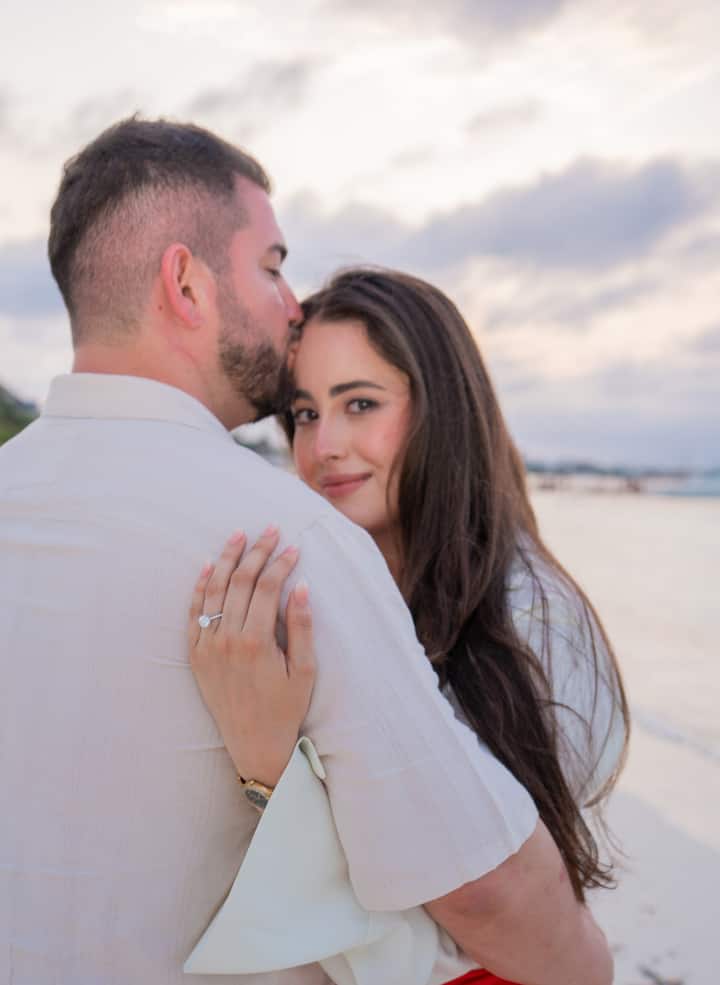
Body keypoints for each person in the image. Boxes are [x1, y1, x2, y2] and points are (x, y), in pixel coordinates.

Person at [0, 116, 611, 985]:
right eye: (272, 266)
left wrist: (271, 765)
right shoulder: (288, 544)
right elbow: (481, 886)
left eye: (361, 403)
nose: (290, 306)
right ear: (186, 282)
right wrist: (589, 963)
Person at [187, 268, 629, 982]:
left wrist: (267, 763)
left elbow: (460, 914)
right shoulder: (339, 590)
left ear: (441, 411)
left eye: (360, 403)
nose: (324, 445)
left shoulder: (532, 617)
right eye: (305, 413)